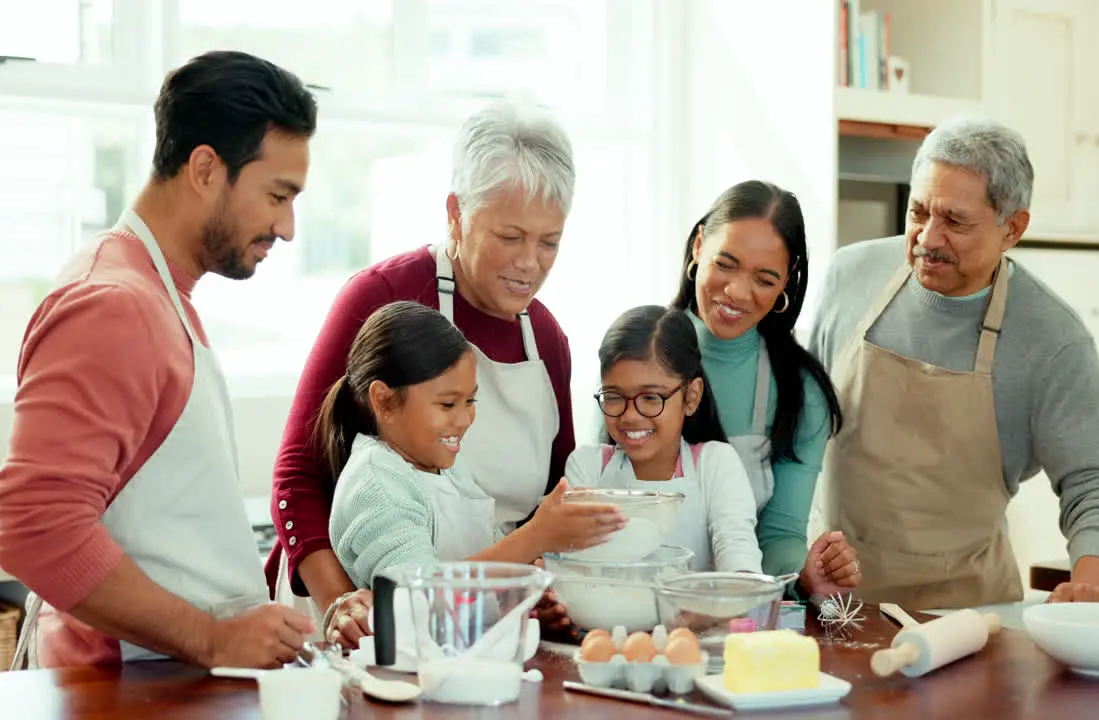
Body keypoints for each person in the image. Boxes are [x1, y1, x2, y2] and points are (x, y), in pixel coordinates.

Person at [0, 51, 319, 669]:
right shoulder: (114, 305)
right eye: (277, 194)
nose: (287, 226)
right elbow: (37, 527)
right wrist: (212, 637)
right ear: (204, 168)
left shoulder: (161, 293)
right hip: (122, 690)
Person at [267, 100, 615, 639]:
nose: (531, 262)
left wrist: (538, 589)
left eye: (550, 242)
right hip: (372, 624)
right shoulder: (384, 296)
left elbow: (549, 500)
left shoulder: (546, 338)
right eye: (510, 236)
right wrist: (344, 606)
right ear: (456, 213)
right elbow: (295, 476)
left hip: (481, 622)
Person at [808, 116, 1099, 610]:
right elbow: (798, 431)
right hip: (832, 604)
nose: (928, 238)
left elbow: (1095, 485)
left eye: (955, 221)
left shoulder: (1053, 341)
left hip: (969, 621)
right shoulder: (849, 277)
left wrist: (1089, 585)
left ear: (1013, 229)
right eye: (918, 212)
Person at [320, 301, 627, 649]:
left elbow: (490, 559)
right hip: (404, 681)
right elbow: (418, 601)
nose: (465, 419)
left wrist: (524, 596)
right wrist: (537, 535)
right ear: (384, 400)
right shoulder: (376, 483)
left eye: (471, 401)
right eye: (448, 404)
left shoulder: (448, 469)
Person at [567, 305, 860, 596]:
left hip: (700, 629)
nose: (630, 415)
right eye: (615, 396)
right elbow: (573, 568)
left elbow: (739, 556)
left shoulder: (715, 464)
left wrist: (731, 596)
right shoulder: (588, 468)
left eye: (650, 397)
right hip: (604, 633)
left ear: (691, 397)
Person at [662, 180, 849, 588]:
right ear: (698, 246)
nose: (737, 292)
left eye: (765, 279)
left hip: (741, 610)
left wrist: (804, 576)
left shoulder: (801, 393)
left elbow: (780, 535)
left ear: (787, 281)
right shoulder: (640, 354)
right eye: (725, 264)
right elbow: (599, 496)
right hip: (636, 602)